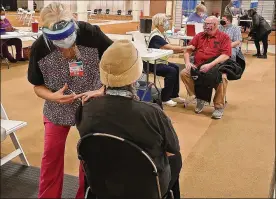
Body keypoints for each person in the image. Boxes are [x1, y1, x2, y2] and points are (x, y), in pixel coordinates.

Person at [76, 39, 182, 199]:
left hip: (103, 182)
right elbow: (172, 149)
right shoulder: (152, 113)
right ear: (136, 75)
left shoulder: (85, 109)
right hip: (146, 187)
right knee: (176, 159)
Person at [27, 2, 113, 198]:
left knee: (90, 155)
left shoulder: (91, 34)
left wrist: (102, 89)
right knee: (51, 155)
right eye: (57, 39)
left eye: (67, 35)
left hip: (91, 104)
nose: (64, 42)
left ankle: (85, 195)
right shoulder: (40, 47)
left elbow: (118, 63)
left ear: (74, 21)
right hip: (57, 108)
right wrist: (53, 96)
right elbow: (37, 86)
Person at [180, 16, 232, 119]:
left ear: (216, 25)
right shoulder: (199, 36)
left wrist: (210, 65)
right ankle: (200, 97)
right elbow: (188, 50)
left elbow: (226, 55)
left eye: (208, 24)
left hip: (216, 66)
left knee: (222, 78)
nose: (205, 26)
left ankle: (218, 106)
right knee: (184, 73)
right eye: (205, 24)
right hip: (199, 66)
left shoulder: (224, 37)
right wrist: (187, 62)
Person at [147, 13, 185, 107]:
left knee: (175, 67)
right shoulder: (156, 36)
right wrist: (186, 48)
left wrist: (182, 50)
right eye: (165, 21)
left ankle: (174, 95)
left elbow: (169, 50)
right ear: (160, 23)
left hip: (159, 61)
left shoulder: (161, 34)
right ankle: (165, 98)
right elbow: (170, 47)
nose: (168, 23)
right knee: (171, 71)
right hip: (152, 63)